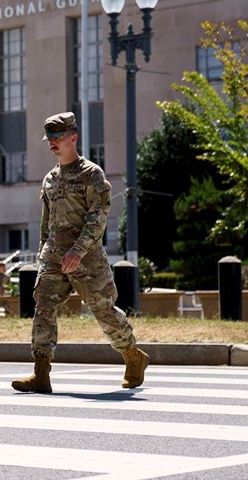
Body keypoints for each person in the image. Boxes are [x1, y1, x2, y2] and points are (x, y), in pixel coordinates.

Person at [13, 112, 149, 394]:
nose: (52, 143)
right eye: (49, 139)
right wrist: (43, 252)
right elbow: (46, 221)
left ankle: (133, 356)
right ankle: (41, 372)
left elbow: (97, 217)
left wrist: (77, 250)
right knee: (44, 309)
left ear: (73, 137)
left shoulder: (92, 174)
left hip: (86, 257)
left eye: (58, 137)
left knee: (103, 310)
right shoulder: (50, 179)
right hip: (53, 255)